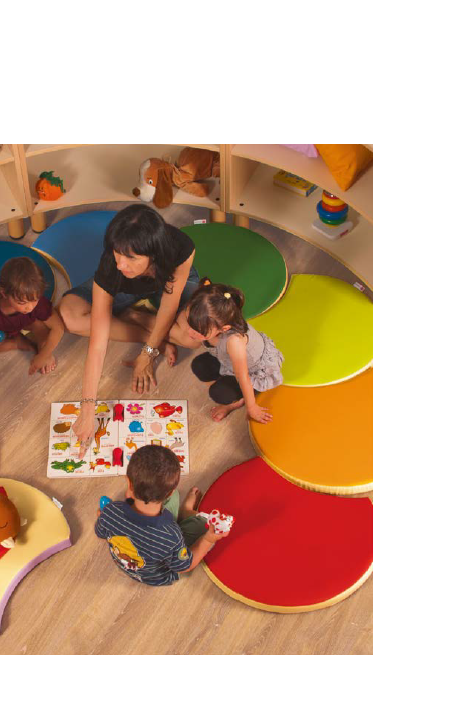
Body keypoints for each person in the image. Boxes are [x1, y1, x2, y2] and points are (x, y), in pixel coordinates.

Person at [60, 205, 199, 447]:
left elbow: (169, 307)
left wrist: (147, 355)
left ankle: (137, 317)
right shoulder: (112, 268)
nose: (121, 264)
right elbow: (97, 346)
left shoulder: (181, 247)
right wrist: (88, 410)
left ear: (152, 255)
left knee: (193, 337)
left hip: (164, 284)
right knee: (69, 316)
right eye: (117, 253)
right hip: (125, 289)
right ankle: (142, 324)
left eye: (131, 257)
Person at [94, 446, 228, 587]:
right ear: (169, 493)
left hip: (130, 564)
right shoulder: (172, 536)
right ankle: (186, 511)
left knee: (177, 509)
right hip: (159, 575)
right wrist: (208, 539)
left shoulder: (110, 511)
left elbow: (100, 533)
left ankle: (184, 513)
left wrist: (105, 516)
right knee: (201, 524)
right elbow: (185, 566)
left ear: (129, 482)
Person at [185, 279, 284, 423]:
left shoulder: (234, 341)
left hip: (254, 371)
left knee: (218, 393)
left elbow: (243, 377)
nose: (189, 332)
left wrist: (252, 408)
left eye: (198, 330)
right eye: (189, 322)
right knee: (199, 365)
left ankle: (236, 402)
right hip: (229, 361)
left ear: (224, 328)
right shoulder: (210, 321)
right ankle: (227, 384)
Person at [0, 257, 65, 375]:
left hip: (26, 322)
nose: (30, 307)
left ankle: (41, 350)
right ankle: (17, 343)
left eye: (35, 300)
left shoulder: (37, 305)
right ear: (4, 293)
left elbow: (58, 328)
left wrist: (44, 354)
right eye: (22, 303)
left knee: (41, 329)